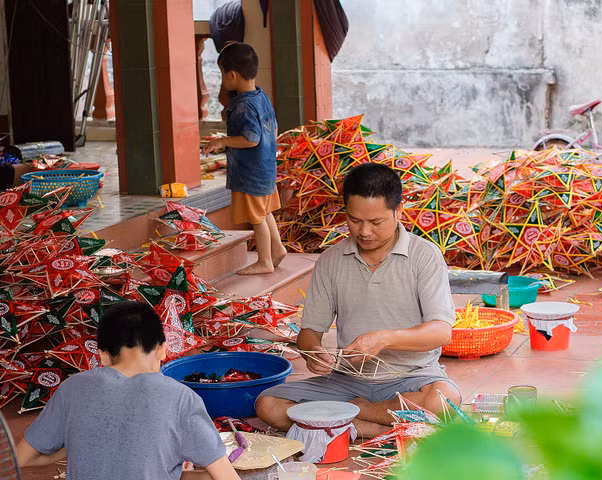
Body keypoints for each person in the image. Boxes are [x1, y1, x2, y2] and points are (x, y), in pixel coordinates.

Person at [255, 163, 461, 438]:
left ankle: (351, 415)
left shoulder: (424, 255)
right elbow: (309, 331)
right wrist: (313, 351)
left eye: (376, 222)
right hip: (347, 380)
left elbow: (441, 332)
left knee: (443, 401)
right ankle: (378, 427)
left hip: (412, 377)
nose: (364, 232)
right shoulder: (331, 260)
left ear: (398, 211)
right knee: (268, 404)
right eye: (354, 220)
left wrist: (384, 339)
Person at [15, 301, 240, 480]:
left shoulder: (72, 387)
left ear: (103, 356)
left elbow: (19, 458)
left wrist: (64, 451)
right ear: (162, 349)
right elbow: (225, 476)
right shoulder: (181, 398)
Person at [202, 42, 287, 275]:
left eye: (222, 74)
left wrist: (223, 141)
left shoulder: (244, 105)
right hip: (266, 168)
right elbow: (273, 129)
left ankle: (265, 261)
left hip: (251, 173)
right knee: (265, 212)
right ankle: (278, 250)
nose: (223, 79)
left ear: (232, 75)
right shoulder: (261, 96)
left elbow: (251, 139)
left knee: (257, 219)